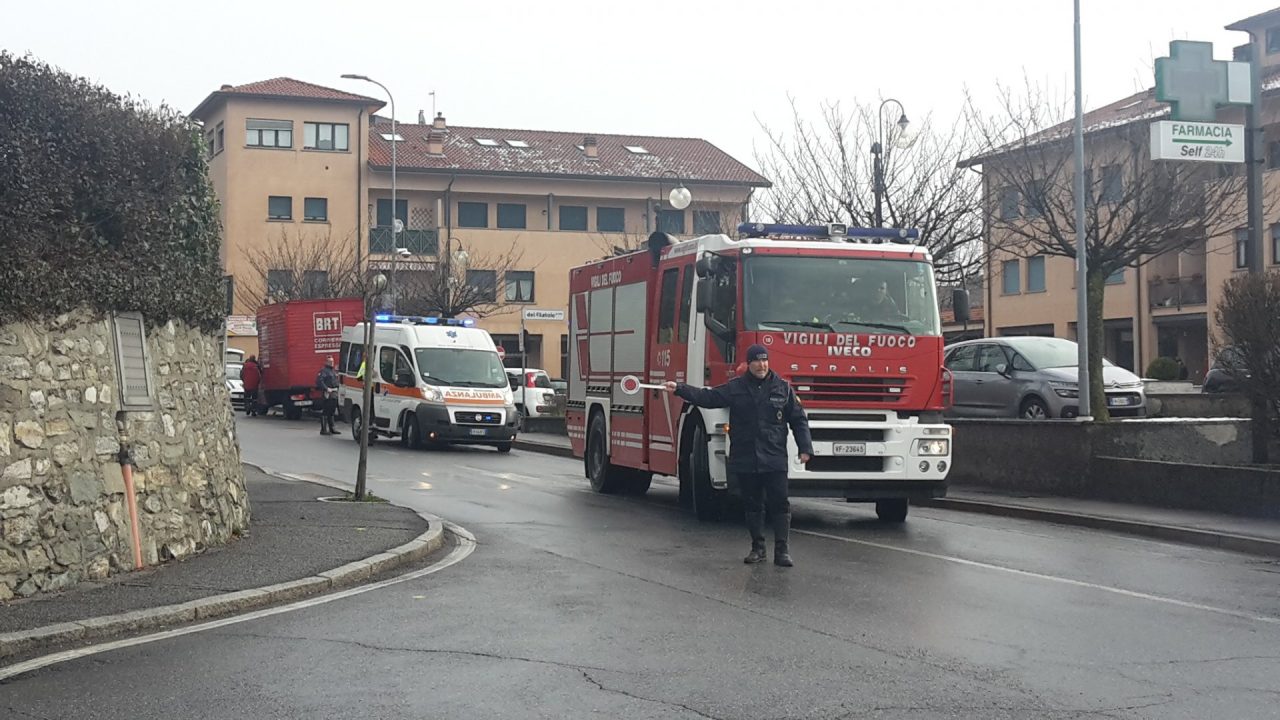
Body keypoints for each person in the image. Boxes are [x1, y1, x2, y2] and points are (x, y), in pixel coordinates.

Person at [663, 344, 813, 567]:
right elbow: (708, 397)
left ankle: (782, 551)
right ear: (749, 363)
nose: (762, 365)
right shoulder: (736, 388)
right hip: (746, 458)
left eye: (765, 361)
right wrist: (680, 389)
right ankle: (757, 547)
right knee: (752, 505)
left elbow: (799, 420)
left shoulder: (783, 388)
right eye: (757, 361)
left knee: (780, 504)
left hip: (774, 458)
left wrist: (805, 448)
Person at [316, 356, 340, 436]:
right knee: (326, 410)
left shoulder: (333, 371)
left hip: (334, 392)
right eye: (330, 361)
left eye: (332, 361)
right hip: (328, 393)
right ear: (326, 362)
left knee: (332, 411)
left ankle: (332, 428)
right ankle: (323, 429)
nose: (331, 363)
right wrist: (326, 389)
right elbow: (319, 381)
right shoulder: (324, 371)